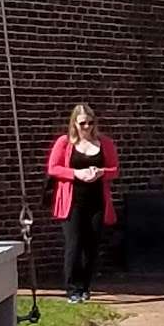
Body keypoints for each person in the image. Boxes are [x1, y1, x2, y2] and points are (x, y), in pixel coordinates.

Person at [47, 103, 120, 303]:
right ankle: (72, 288)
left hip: (96, 200)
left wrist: (101, 172)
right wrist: (75, 173)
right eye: (82, 123)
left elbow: (115, 169)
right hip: (72, 201)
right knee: (74, 244)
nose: (87, 127)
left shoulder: (104, 143)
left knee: (92, 245)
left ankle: (86, 286)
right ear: (74, 124)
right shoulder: (65, 143)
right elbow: (53, 168)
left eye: (90, 122)